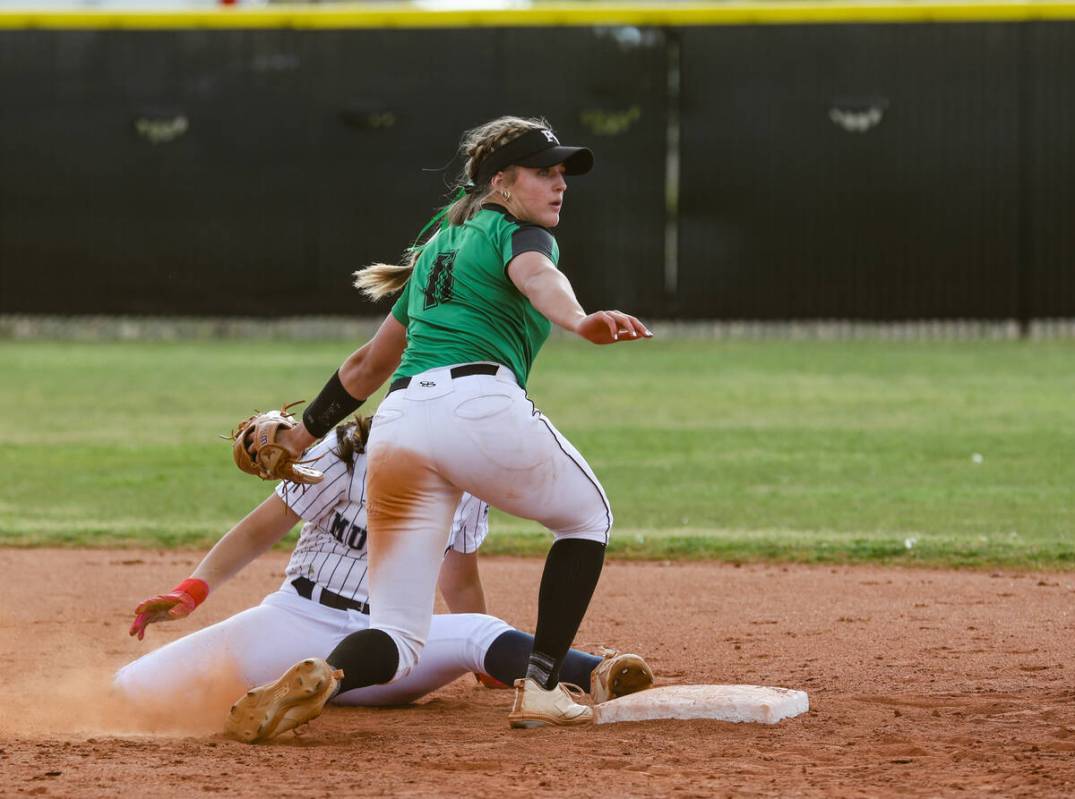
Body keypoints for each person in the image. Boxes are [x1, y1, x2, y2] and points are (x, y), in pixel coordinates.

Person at [230, 115, 652, 741]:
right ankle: (539, 688)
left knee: (400, 633)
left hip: (399, 426)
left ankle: (327, 672)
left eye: (562, 174)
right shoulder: (521, 236)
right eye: (544, 173)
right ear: (502, 182)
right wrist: (580, 319)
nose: (559, 185)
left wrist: (309, 432)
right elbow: (541, 279)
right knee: (587, 519)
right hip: (477, 403)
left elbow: (368, 365)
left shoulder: (435, 254)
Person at [116, 418, 653, 740]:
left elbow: (262, 529)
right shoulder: (463, 477)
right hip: (394, 656)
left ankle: (318, 680)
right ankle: (597, 672)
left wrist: (191, 592)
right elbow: (460, 586)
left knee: (126, 690)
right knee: (478, 634)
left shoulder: (347, 450)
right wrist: (486, 665)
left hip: (284, 630)